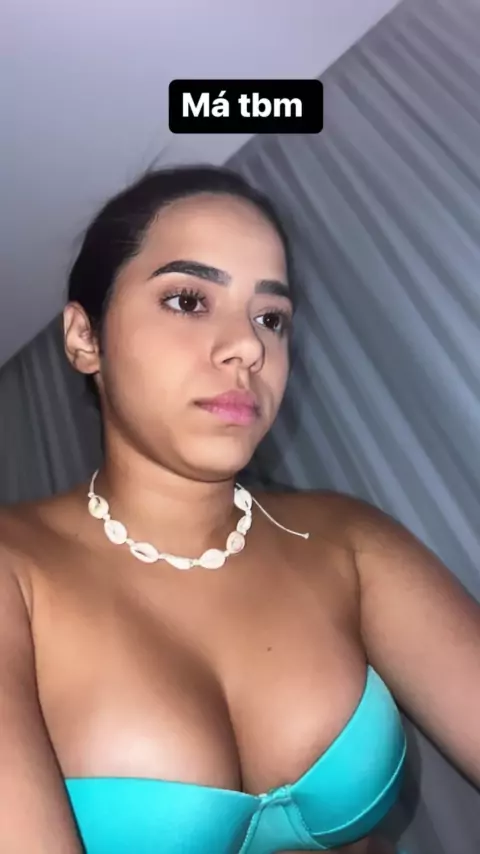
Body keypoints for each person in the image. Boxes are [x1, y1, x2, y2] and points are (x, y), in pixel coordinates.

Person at [0, 165, 479, 854]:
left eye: (270, 317)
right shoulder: (15, 572)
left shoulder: (350, 542)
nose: (250, 347)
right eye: (188, 300)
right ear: (84, 338)